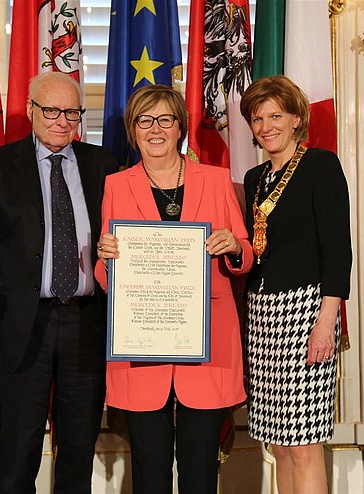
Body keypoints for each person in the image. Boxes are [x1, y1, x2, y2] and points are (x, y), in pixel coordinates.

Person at [94, 84, 253, 494]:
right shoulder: (116, 184)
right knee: (150, 471)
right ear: (133, 129)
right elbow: (105, 273)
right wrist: (105, 258)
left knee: (201, 469)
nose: (155, 129)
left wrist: (234, 245)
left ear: (180, 126)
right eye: (145, 120)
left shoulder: (216, 181)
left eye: (165, 119)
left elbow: (245, 253)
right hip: (142, 346)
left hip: (207, 345)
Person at [0, 72, 117, 493]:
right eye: (51, 110)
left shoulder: (103, 165)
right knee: (19, 448)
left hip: (87, 322)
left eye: (71, 112)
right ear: (31, 111)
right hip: (21, 324)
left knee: (78, 445)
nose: (61, 121)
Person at [239, 75, 351, 494]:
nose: (266, 125)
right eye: (257, 118)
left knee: (304, 445)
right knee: (279, 445)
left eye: (275, 115)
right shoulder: (254, 179)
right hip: (262, 316)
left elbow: (338, 250)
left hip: (306, 312)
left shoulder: (320, 166)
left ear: (296, 119)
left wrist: (326, 321)